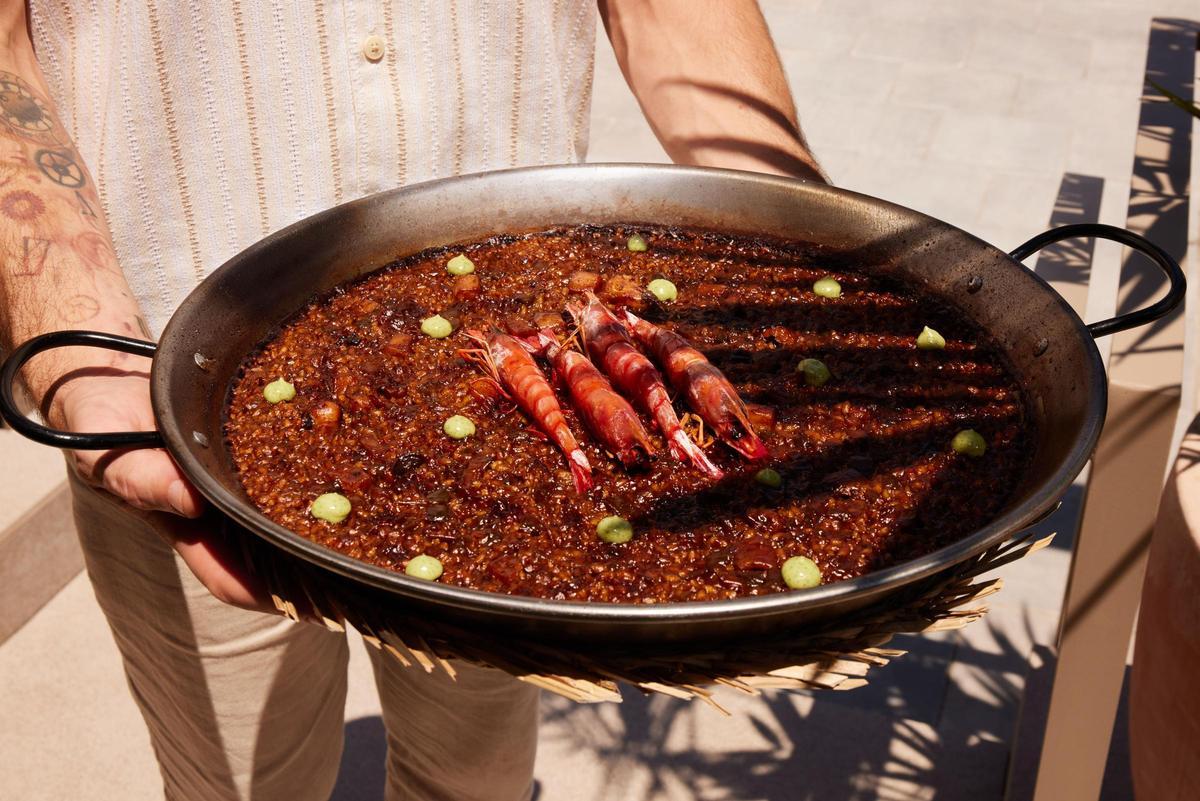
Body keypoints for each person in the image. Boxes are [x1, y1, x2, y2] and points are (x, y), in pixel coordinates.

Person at [0, 1, 824, 799]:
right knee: (239, 787)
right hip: (171, 390)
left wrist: (807, 243)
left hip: (517, 305)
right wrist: (82, 341)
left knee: (477, 778)